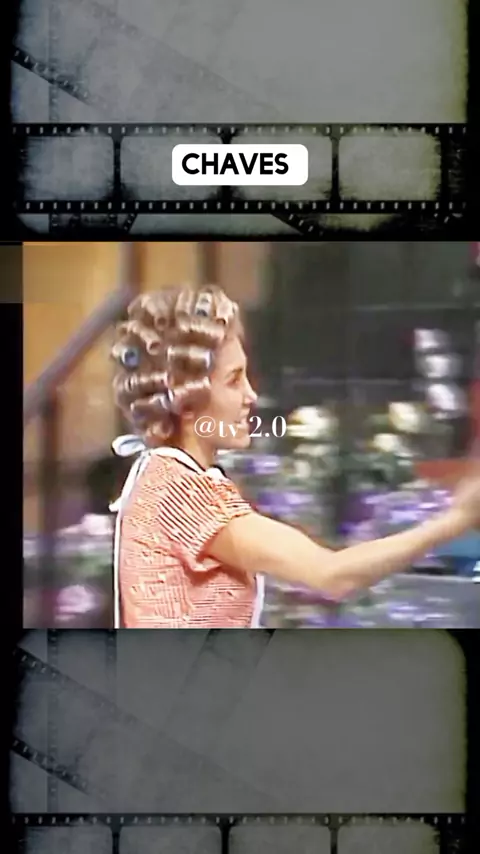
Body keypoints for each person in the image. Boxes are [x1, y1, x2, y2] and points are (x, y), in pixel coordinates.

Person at [110, 285, 480, 628]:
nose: (251, 396)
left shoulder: (165, 476)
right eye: (234, 380)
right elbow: (332, 574)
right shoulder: (183, 495)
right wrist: (456, 520)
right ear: (187, 398)